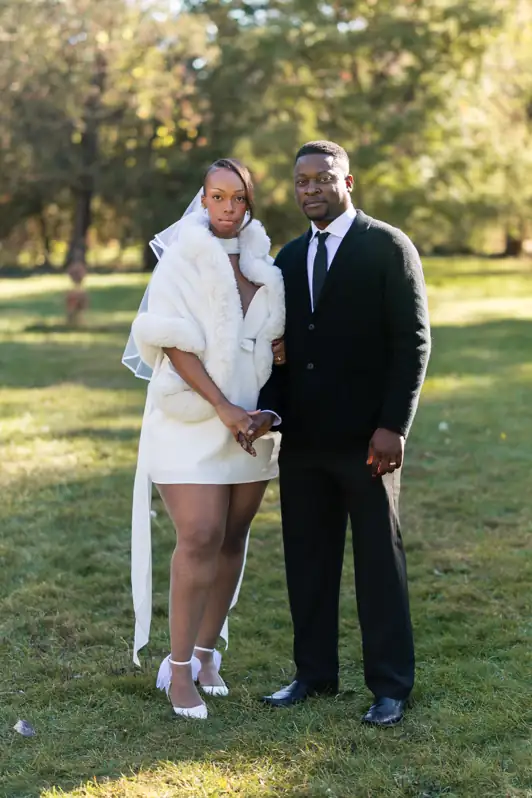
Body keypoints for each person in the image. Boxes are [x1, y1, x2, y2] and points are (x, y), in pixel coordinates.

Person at [255, 140, 431, 726]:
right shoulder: (287, 256)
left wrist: (393, 426)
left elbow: (413, 342)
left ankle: (390, 686)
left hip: (368, 443)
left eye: (322, 179)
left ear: (347, 182)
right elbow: (279, 349)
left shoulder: (388, 246)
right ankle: (314, 675)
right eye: (301, 180)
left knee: (379, 564)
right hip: (302, 443)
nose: (310, 189)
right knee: (307, 560)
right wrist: (270, 412)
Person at [123, 158, 285, 720]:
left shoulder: (265, 262)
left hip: (251, 427)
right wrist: (223, 408)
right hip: (193, 417)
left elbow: (269, 337)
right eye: (216, 197)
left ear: (249, 203)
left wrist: (273, 362)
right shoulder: (181, 257)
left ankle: (205, 650)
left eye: (237, 198)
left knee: (233, 537)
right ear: (203, 198)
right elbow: (171, 342)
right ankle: (177, 669)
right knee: (199, 534)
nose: (226, 208)